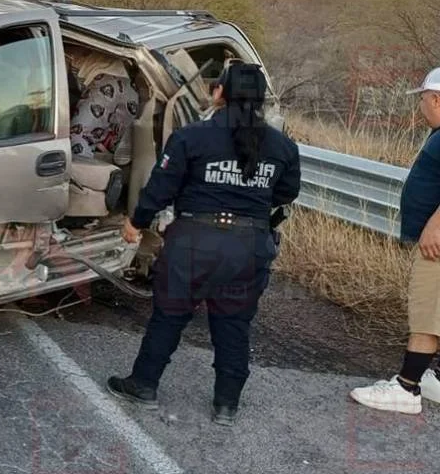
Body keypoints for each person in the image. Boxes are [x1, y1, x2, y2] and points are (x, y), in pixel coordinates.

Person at [105, 62, 301, 426]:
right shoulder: (284, 147)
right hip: (248, 247)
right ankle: (226, 405)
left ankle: (144, 385)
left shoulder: (191, 137)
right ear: (261, 100)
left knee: (170, 316)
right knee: (234, 325)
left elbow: (160, 188)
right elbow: (287, 193)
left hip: (194, 243)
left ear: (219, 93)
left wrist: (136, 223)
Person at [349, 67, 440, 414]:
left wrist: (435, 225)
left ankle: (407, 388)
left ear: (435, 98)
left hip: (436, 242)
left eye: (422, 100)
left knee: (427, 310)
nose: (421, 107)